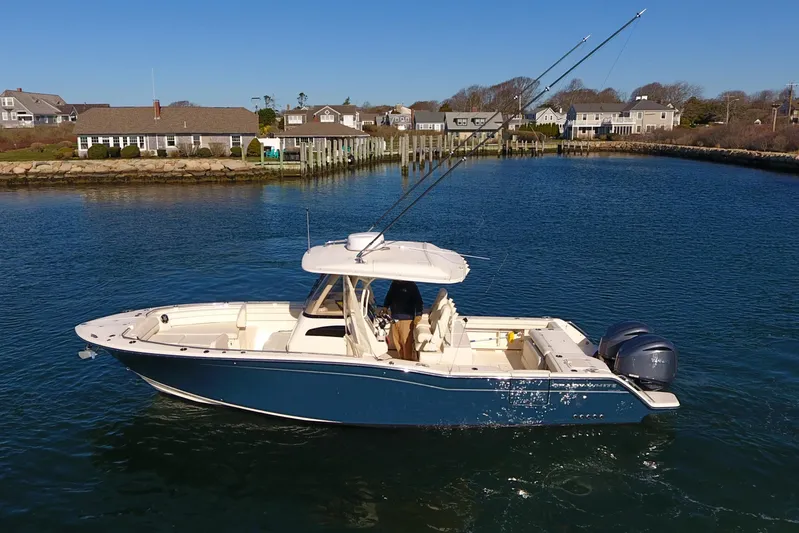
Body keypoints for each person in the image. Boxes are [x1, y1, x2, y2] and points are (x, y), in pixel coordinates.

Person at [383, 280, 423, 361]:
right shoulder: (394, 284)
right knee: (396, 341)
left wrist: (418, 315)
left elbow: (418, 301)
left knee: (406, 343)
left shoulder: (412, 286)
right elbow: (389, 296)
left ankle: (407, 360)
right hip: (394, 318)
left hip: (406, 319)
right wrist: (385, 306)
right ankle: (401, 358)